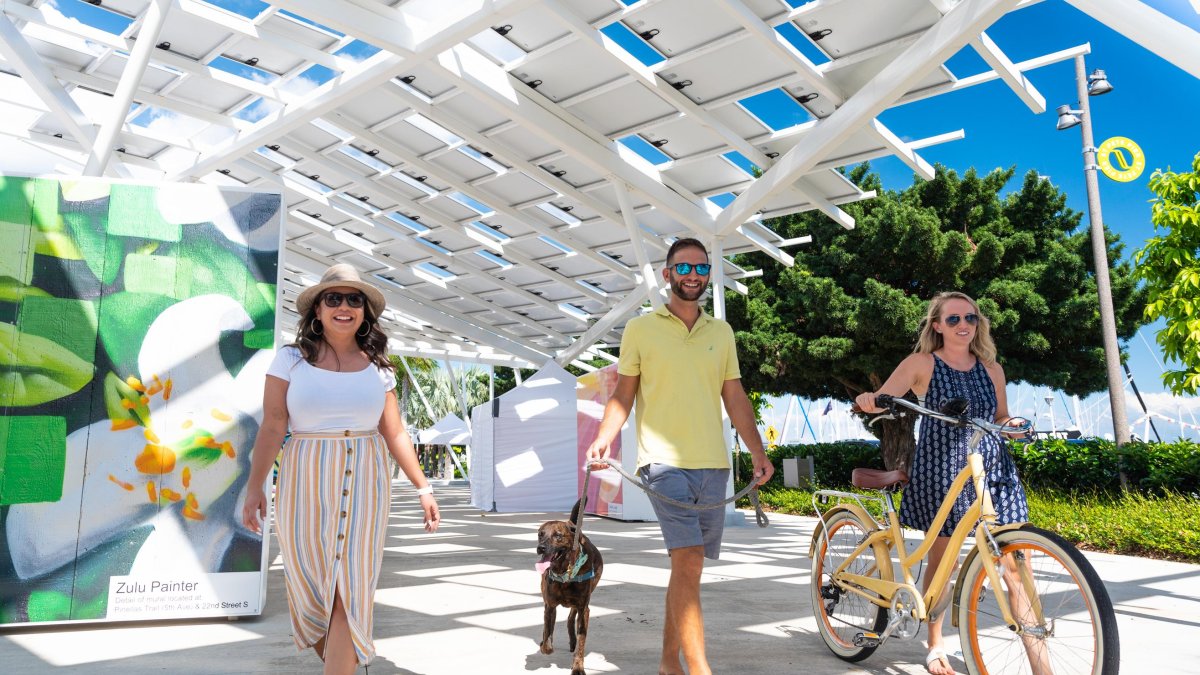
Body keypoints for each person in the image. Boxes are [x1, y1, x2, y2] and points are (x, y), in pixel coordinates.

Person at [585, 237, 774, 675]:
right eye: (683, 268)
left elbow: (735, 395)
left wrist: (757, 452)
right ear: (667, 274)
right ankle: (700, 669)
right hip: (662, 462)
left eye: (701, 268)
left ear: (708, 275)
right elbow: (623, 394)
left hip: (714, 465)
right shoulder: (640, 329)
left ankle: (669, 662)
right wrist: (603, 438)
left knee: (688, 570)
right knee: (687, 559)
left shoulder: (721, 332)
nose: (693, 275)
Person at [242, 264, 439, 675]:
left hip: (366, 477)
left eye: (355, 299)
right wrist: (255, 485)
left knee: (348, 592)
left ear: (365, 312)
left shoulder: (380, 367)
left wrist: (424, 488)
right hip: (303, 477)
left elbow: (395, 432)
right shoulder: (289, 359)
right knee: (310, 591)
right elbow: (274, 422)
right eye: (334, 298)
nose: (344, 306)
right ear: (317, 311)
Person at [855, 291, 1029, 675]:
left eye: (970, 318)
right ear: (937, 325)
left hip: (992, 466)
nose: (963, 324)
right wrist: (871, 399)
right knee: (944, 562)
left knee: (1016, 554)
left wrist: (1012, 425)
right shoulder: (922, 363)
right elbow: (887, 397)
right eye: (953, 319)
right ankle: (934, 645)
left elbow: (1000, 416)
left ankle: (1033, 637)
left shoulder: (991, 369)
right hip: (943, 467)